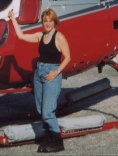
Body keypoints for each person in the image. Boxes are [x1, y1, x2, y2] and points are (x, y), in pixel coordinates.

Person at [8, 8, 71, 153]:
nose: (47, 24)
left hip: (51, 74)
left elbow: (68, 57)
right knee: (40, 108)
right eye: (45, 21)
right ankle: (48, 138)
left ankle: (57, 141)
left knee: (48, 111)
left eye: (50, 21)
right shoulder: (40, 36)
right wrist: (12, 19)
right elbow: (21, 36)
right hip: (39, 73)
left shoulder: (59, 37)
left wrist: (56, 72)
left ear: (55, 22)